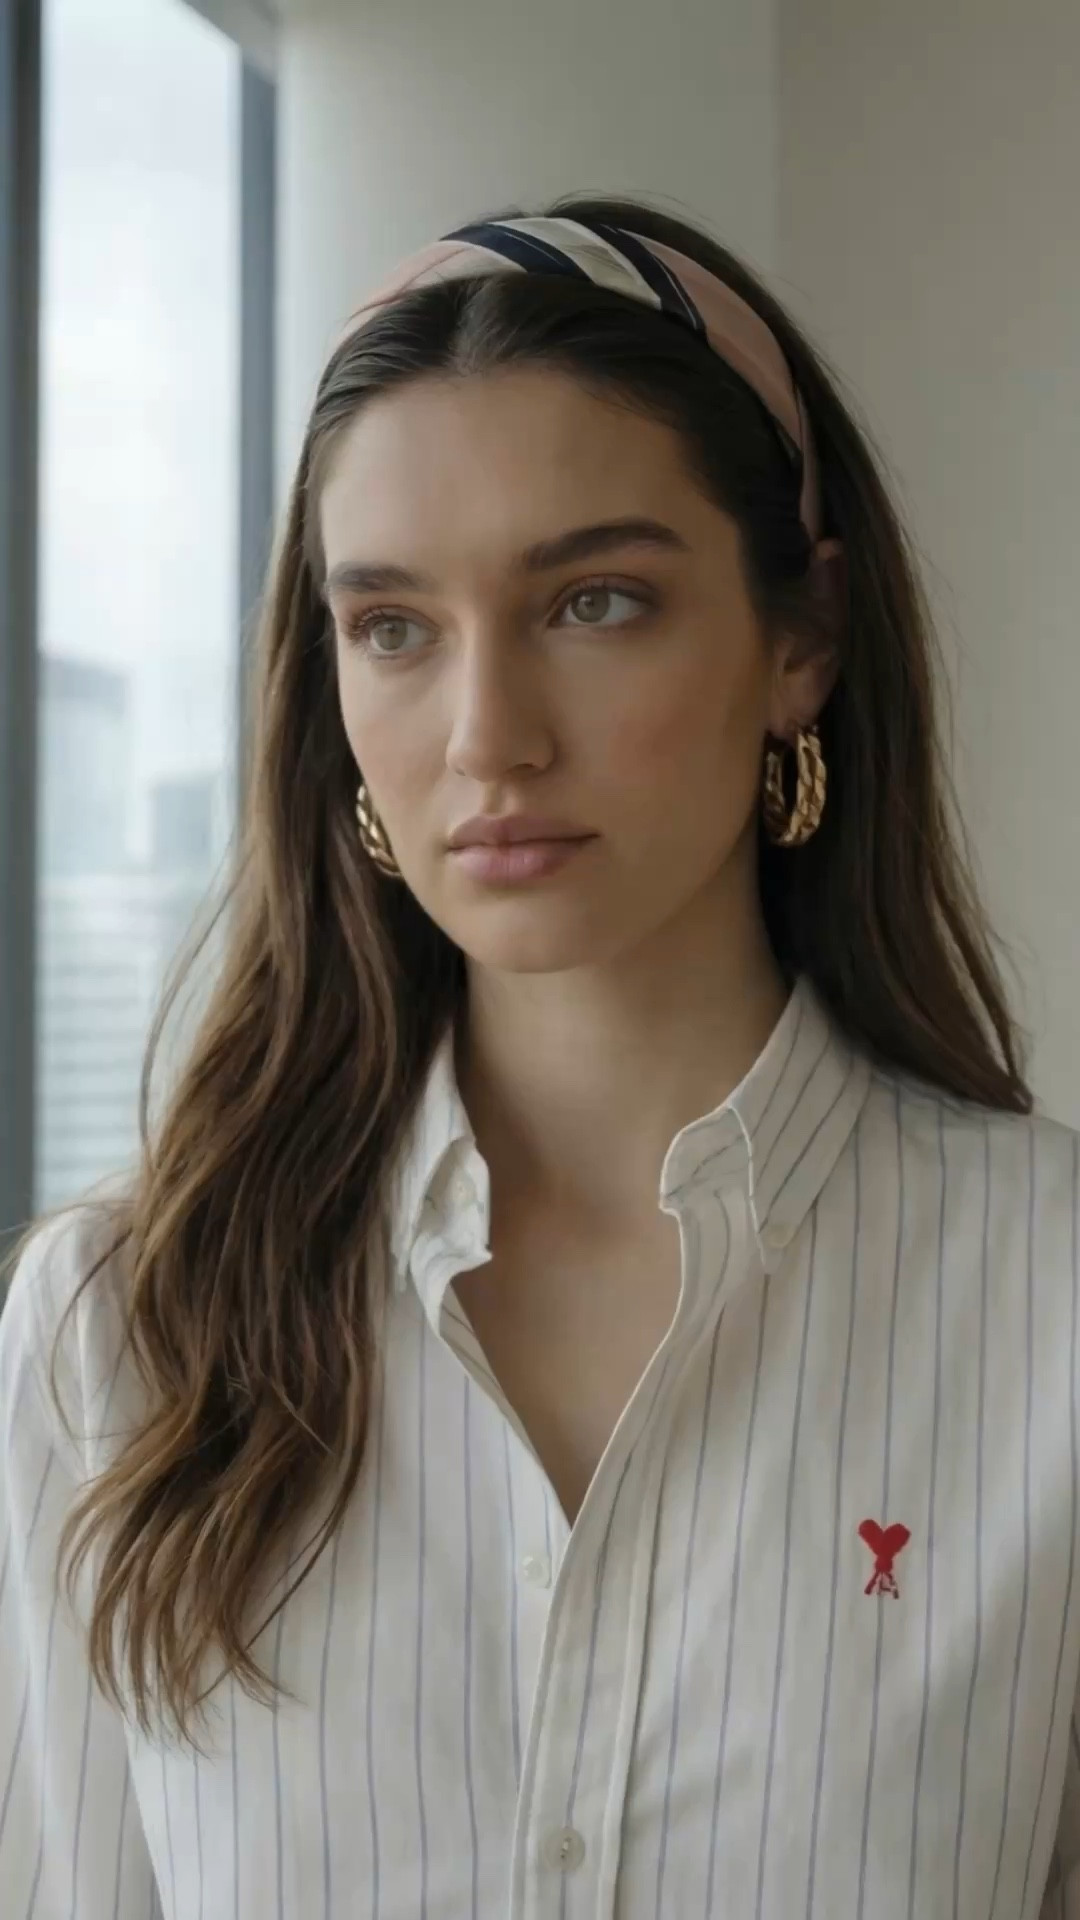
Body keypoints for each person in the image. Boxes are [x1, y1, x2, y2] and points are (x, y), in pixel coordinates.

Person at [1, 193, 1077, 1920]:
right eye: (395, 628)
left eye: (594, 601)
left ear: (801, 640)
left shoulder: (1053, 1310)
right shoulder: (115, 1325)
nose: (487, 737)